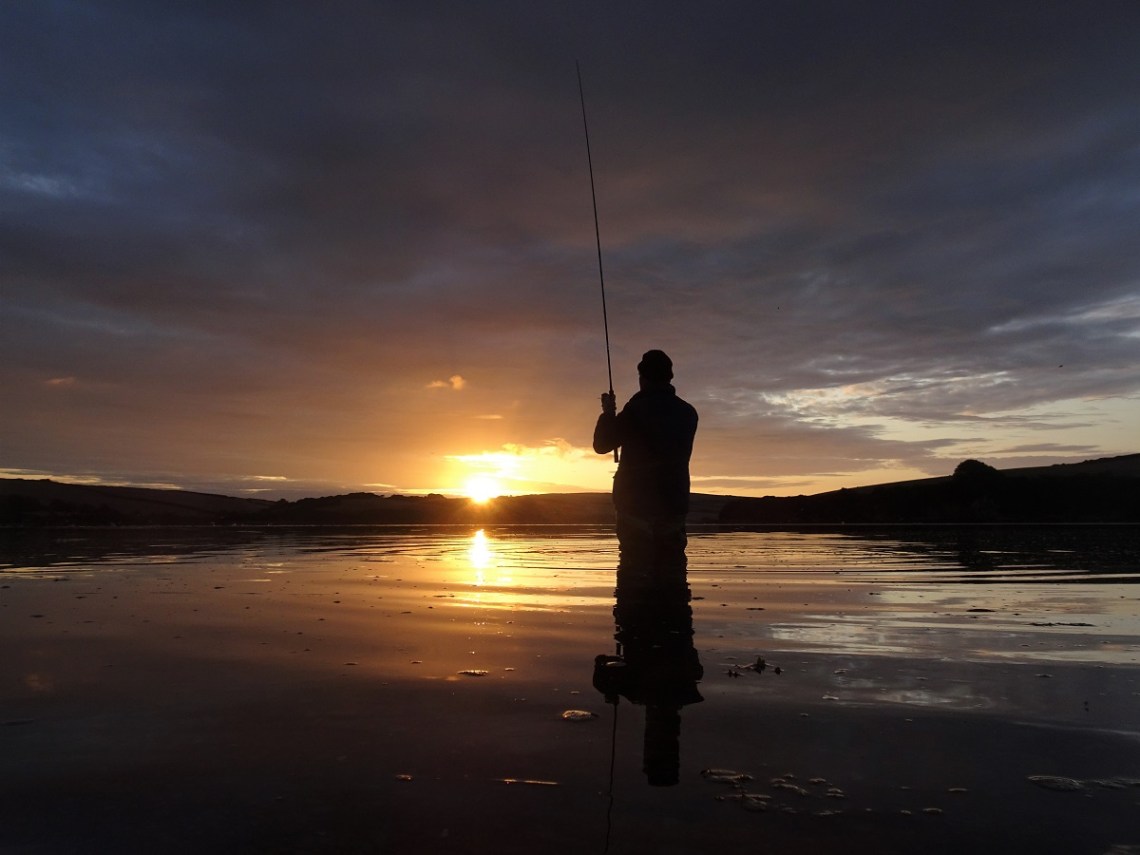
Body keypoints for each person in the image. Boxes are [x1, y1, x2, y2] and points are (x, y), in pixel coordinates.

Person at [593, 350, 698, 583]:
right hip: (674, 502)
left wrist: (608, 413)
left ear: (642, 378)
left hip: (635, 505)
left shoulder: (635, 410)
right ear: (669, 377)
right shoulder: (689, 413)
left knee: (633, 571)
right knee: (673, 572)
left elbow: (601, 445)